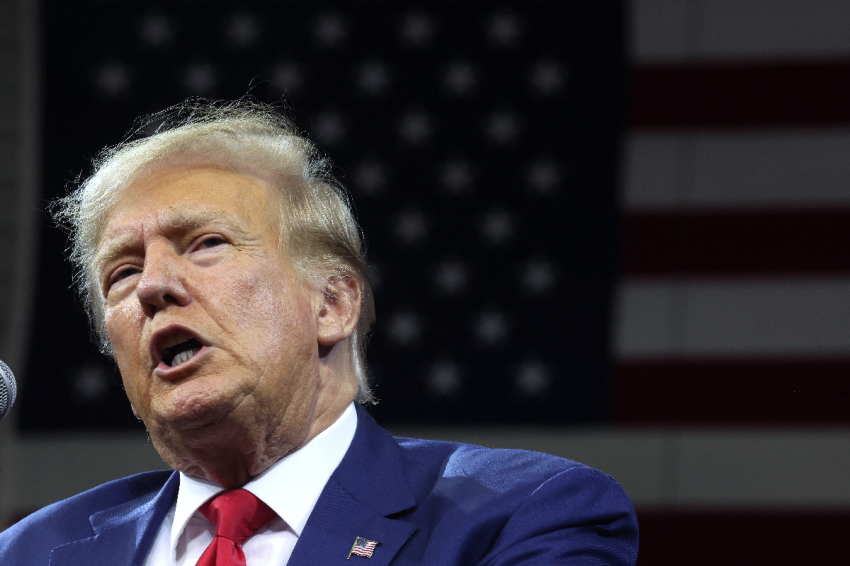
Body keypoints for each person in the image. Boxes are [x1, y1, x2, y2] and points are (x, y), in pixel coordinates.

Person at [0, 100, 638, 565]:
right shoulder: (32, 552)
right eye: (123, 271)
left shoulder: (522, 518)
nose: (151, 287)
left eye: (206, 244)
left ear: (332, 303)